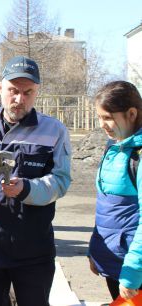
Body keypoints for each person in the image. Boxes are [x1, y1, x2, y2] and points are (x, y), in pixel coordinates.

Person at [0, 56, 71, 306]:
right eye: (13, 91)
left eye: (27, 92)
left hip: (33, 250)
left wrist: (26, 188)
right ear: (0, 88)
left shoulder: (54, 131)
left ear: (37, 92)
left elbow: (61, 181)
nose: (19, 99)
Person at [88, 81, 142, 301]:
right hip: (114, 264)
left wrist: (132, 273)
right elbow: (106, 208)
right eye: (99, 118)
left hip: (133, 270)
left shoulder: (137, 156)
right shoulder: (113, 149)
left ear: (131, 113)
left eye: (108, 117)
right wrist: (95, 249)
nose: (102, 124)